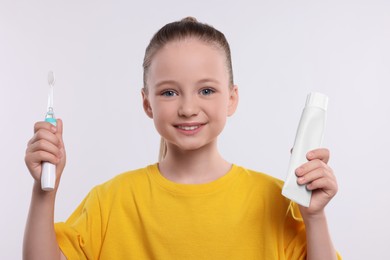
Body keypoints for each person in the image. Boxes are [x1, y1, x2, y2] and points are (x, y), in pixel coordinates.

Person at [23, 17, 341, 260]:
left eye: (206, 90)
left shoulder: (274, 200)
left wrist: (314, 217)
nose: (188, 108)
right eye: (169, 92)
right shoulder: (112, 200)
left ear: (231, 98)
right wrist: (43, 191)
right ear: (147, 103)